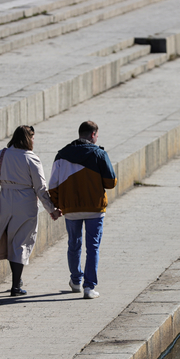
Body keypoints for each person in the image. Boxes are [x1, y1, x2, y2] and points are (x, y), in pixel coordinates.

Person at [0, 125, 60, 296]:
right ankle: (16, 286)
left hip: (5, 200)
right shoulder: (31, 158)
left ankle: (16, 281)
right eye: (33, 137)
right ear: (28, 138)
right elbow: (41, 188)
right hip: (25, 202)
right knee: (21, 243)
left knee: (11, 240)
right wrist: (52, 209)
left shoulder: (1, 154)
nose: (34, 140)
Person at [49, 121, 117, 299]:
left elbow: (53, 185)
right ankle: (89, 287)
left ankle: (76, 281)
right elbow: (110, 182)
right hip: (95, 208)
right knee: (92, 246)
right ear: (93, 135)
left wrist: (58, 205)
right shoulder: (99, 154)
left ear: (80, 133)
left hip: (70, 208)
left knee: (74, 244)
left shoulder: (61, 155)